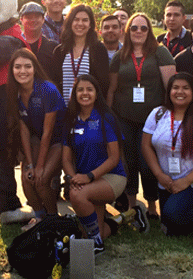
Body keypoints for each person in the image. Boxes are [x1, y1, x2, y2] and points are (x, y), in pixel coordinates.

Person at [106, 12, 176, 222]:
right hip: (123, 117)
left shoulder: (160, 53)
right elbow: (111, 89)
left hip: (153, 120)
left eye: (143, 28)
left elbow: (171, 87)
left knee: (148, 162)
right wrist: (108, 118)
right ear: (127, 31)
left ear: (149, 31)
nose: (138, 32)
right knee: (128, 161)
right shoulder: (120, 55)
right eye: (134, 28)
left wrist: (172, 116)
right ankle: (131, 205)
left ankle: (152, 203)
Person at [141, 72, 193, 239]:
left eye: (186, 88)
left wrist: (186, 181)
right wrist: (159, 175)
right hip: (166, 180)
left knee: (173, 215)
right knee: (173, 229)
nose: (180, 92)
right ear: (169, 91)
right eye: (175, 88)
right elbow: (146, 146)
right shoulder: (157, 114)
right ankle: (183, 214)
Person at [63, 75, 126, 253]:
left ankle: (97, 244)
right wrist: (71, 178)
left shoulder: (106, 118)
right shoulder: (70, 120)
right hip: (85, 181)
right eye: (80, 90)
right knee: (92, 232)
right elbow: (66, 159)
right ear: (74, 94)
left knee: (77, 196)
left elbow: (114, 158)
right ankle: (126, 218)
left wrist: (89, 177)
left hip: (111, 177)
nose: (85, 93)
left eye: (89, 89)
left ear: (97, 94)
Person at [6, 48, 65, 231]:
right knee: (27, 178)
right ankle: (39, 218)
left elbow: (49, 132)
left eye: (27, 66)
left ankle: (53, 221)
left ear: (34, 68)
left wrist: (39, 166)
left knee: (41, 179)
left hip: (58, 140)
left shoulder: (47, 89)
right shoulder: (14, 91)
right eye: (17, 67)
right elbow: (23, 129)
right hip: (36, 138)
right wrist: (30, 164)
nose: (22, 71)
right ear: (12, 70)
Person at [53, 4, 111, 105]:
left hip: (89, 111)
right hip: (64, 111)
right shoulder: (60, 51)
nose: (80, 23)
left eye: (85, 20)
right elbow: (55, 83)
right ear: (70, 22)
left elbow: (103, 84)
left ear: (90, 25)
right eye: (76, 19)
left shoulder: (98, 50)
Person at [19, 2, 59, 81]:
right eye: (29, 17)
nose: (33, 20)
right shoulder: (15, 45)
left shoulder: (53, 47)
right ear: (21, 20)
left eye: (37, 17)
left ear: (43, 20)